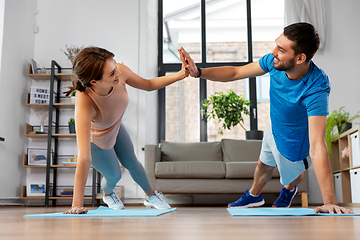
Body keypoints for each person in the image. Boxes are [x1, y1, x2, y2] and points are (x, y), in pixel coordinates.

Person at [180, 22, 353, 214]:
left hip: (295, 142)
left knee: (293, 177)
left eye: (280, 49)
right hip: (275, 127)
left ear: (300, 58)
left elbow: (317, 145)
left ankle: (288, 190)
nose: (273, 53)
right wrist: (199, 73)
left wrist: (329, 201)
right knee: (263, 165)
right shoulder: (274, 62)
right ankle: (254, 196)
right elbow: (236, 72)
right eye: (276, 45)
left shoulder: (316, 87)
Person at [64, 46, 188, 214]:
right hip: (97, 142)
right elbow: (84, 157)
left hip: (116, 127)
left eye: (115, 67)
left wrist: (181, 74)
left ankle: (151, 196)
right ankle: (108, 194)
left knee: (132, 162)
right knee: (115, 175)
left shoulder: (119, 71)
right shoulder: (85, 102)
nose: (118, 73)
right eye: (111, 73)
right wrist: (76, 204)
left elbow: (149, 84)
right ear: (94, 81)